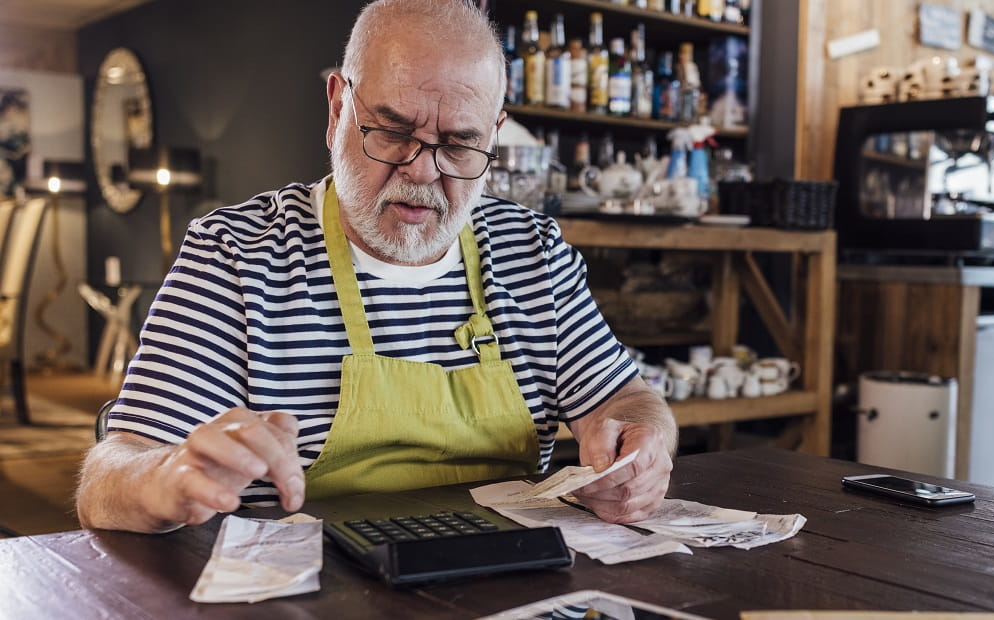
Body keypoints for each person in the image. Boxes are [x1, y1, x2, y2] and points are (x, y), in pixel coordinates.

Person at [76, 0, 676, 534]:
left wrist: (640, 443)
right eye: (391, 131)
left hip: (514, 590)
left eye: (460, 144)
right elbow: (109, 479)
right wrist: (164, 477)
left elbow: (627, 399)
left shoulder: (532, 251)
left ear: (494, 136)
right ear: (338, 107)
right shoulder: (236, 253)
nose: (422, 170)